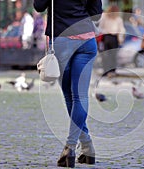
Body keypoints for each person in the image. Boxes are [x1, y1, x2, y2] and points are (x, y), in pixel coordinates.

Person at [34, 0, 102, 168]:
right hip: (86, 41)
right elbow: (96, 13)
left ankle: (70, 147)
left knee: (69, 95)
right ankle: (87, 147)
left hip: (62, 41)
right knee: (80, 96)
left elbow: (39, 6)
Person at [99, 5, 126, 77]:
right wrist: (121, 39)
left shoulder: (104, 17)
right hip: (114, 38)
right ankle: (112, 71)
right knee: (113, 55)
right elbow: (122, 30)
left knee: (106, 55)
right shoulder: (118, 19)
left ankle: (106, 71)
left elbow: (100, 28)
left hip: (106, 37)